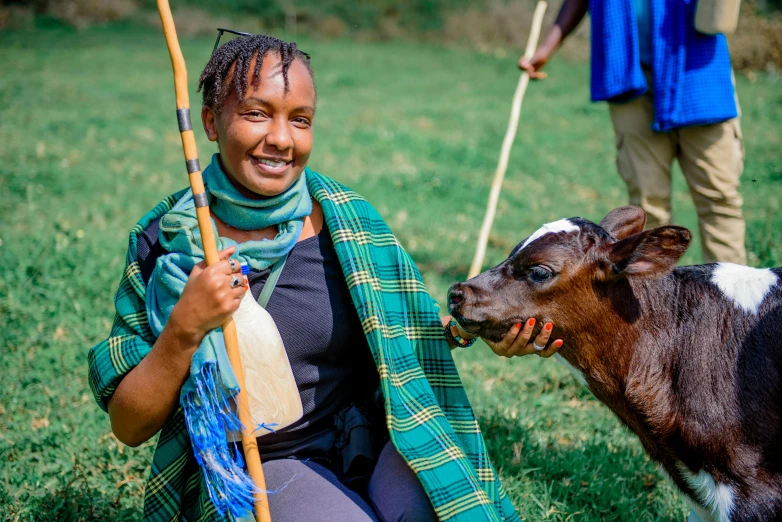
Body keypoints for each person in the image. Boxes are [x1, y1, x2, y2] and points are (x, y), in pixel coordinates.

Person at [88, 34, 562, 522]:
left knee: (446, 508)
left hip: (373, 434)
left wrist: (476, 330)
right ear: (210, 122)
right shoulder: (169, 244)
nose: (281, 138)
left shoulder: (347, 220)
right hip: (268, 461)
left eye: (300, 119)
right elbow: (129, 423)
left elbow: (400, 336)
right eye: (256, 113)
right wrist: (185, 329)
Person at [519, 0, 746, 264]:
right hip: (627, 75)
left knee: (718, 199)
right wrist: (547, 48)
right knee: (648, 207)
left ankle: (731, 298)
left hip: (697, 71)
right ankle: (656, 299)